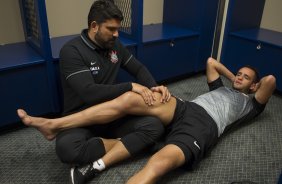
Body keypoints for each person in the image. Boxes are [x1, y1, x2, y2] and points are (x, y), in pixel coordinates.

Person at [17, 57, 276, 184]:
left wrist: (247, 88)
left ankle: (115, 154)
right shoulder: (219, 88)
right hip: (184, 107)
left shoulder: (251, 105)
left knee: (158, 163)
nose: (239, 78)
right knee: (131, 97)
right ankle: (54, 125)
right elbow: (210, 62)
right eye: (238, 74)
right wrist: (234, 78)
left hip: (203, 126)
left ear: (254, 86)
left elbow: (271, 80)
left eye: (245, 77)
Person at [42, 0, 171, 183]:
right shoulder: (71, 51)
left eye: (117, 29)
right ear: (94, 26)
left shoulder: (114, 46)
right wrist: (130, 86)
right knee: (67, 149)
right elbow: (89, 92)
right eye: (111, 29)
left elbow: (139, 69)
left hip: (112, 114)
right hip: (81, 119)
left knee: (155, 126)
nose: (116, 34)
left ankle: (116, 144)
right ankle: (128, 144)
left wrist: (153, 86)